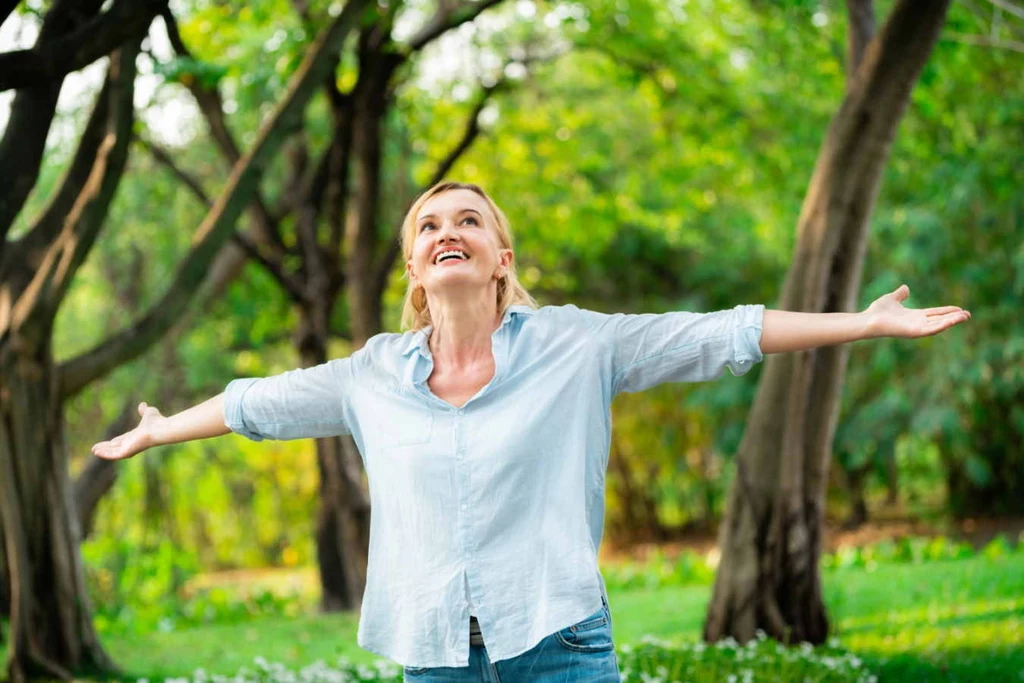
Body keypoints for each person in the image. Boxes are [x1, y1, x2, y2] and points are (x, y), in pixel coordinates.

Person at [93, 181, 970, 681]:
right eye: (430, 225)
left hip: (562, 643)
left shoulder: (577, 345)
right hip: (436, 654)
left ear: (500, 257)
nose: (450, 231)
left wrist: (859, 324)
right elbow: (256, 402)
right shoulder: (371, 376)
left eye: (470, 220)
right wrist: (164, 428)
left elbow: (720, 333)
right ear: (414, 266)